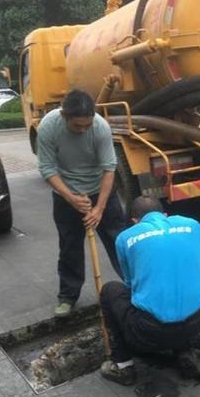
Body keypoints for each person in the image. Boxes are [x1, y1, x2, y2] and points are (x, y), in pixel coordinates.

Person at [99, 195, 200, 386]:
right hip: (199, 326)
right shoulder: (193, 225)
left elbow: (131, 286)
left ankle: (123, 366)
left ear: (135, 221)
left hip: (151, 333)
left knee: (110, 290)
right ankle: (184, 352)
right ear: (165, 214)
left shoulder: (125, 238)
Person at [37, 89, 126, 317]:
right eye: (78, 126)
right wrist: (70, 198)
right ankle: (67, 296)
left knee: (119, 241)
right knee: (69, 247)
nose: (84, 130)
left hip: (101, 191)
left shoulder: (100, 127)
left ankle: (135, 286)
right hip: (66, 194)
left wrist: (99, 208)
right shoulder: (48, 127)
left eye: (87, 125)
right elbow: (47, 169)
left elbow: (109, 168)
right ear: (64, 116)